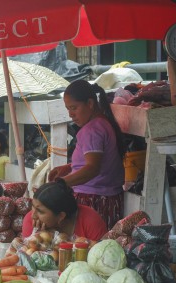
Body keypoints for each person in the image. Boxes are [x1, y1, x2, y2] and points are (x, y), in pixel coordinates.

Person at [48, 80, 127, 230]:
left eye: (74, 108)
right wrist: (69, 167)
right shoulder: (102, 123)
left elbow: (93, 168)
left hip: (94, 201)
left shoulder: (92, 130)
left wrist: (61, 183)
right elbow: (97, 161)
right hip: (108, 200)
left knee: (86, 248)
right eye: (68, 109)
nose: (71, 114)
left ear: (90, 103)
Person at [22, 180, 108, 241]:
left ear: (61, 216)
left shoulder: (90, 220)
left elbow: (102, 254)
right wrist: (40, 240)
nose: (33, 215)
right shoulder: (31, 221)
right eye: (33, 207)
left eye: (40, 211)